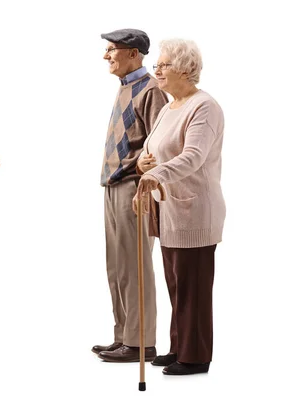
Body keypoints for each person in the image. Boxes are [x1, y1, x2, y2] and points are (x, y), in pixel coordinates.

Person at [134, 38, 225, 375]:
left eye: (164, 64)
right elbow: (152, 151)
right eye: (157, 64)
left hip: (194, 210)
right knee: (177, 284)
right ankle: (179, 346)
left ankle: (196, 356)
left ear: (186, 70)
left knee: (193, 287)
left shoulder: (204, 106)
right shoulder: (169, 107)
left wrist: (155, 172)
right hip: (168, 210)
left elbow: (193, 156)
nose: (156, 69)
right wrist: (145, 163)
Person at [92, 29, 168, 363]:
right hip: (113, 184)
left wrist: (144, 173)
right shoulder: (126, 88)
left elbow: (162, 143)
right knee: (118, 265)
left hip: (134, 187)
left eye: (112, 50)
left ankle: (141, 343)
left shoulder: (151, 90)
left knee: (135, 265)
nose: (106, 56)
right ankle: (123, 335)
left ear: (133, 53)